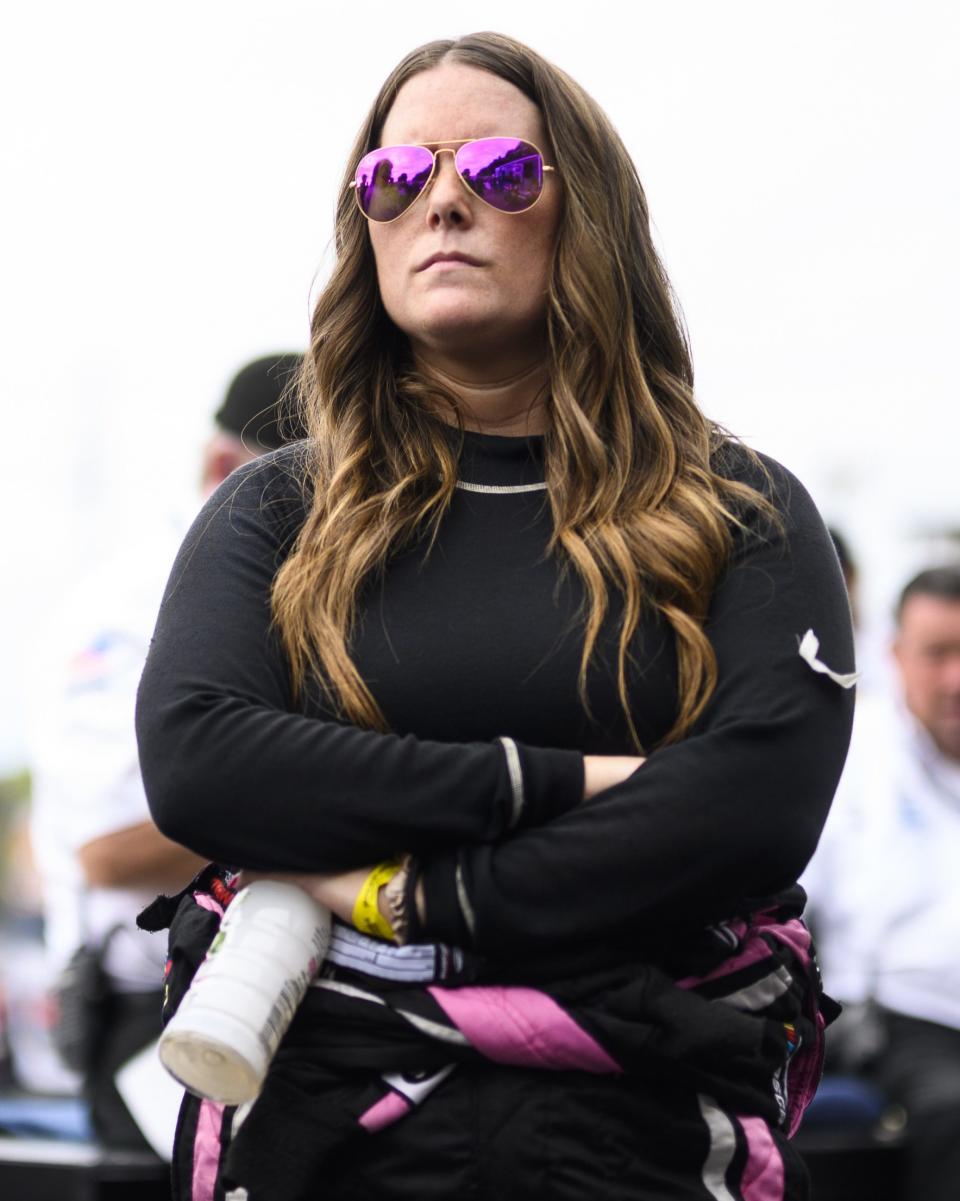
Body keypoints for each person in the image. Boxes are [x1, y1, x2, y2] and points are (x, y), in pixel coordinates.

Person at [135, 32, 855, 1200]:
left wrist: (415, 896)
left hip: (648, 1133)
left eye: (501, 171)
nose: (445, 203)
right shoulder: (277, 507)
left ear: (591, 215)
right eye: (398, 178)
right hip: (328, 1132)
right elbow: (204, 767)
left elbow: (753, 808)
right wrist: (569, 781)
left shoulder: (740, 506)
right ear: (364, 226)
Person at [29, 352, 304, 1151]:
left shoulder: (282, 592)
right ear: (223, 466)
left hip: (270, 1000)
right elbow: (110, 852)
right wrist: (353, 804)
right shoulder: (141, 597)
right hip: (150, 1020)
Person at [805, 565, 960, 1201]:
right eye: (937, 655)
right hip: (901, 1023)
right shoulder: (849, 759)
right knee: (954, 1110)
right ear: (895, 655)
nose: (956, 680)